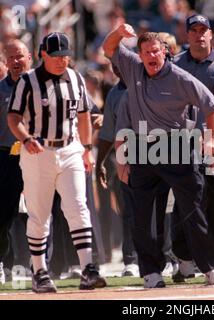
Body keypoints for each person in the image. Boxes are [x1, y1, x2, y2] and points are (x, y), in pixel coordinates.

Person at [102, 23, 214, 288]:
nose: (151, 56)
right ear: (140, 55)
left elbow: (211, 106)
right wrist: (118, 32)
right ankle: (151, 272)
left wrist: (212, 139)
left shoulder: (181, 78)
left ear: (165, 52)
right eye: (145, 51)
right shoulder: (132, 66)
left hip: (178, 148)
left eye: (155, 51)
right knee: (142, 215)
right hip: (142, 149)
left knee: (193, 211)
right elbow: (108, 47)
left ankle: (210, 267)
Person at [7, 32, 107, 293]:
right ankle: (39, 271)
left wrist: (86, 148)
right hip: (39, 153)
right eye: (56, 56)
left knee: (78, 207)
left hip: (71, 148)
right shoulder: (28, 81)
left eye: (65, 56)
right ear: (43, 55)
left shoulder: (75, 77)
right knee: (40, 215)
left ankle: (88, 268)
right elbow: (14, 117)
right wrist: (26, 138)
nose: (62, 61)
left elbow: (85, 113)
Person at [172, 14, 214, 282]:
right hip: (181, 142)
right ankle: (184, 259)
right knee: (183, 202)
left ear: (211, 33)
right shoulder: (175, 65)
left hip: (213, 142)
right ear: (187, 35)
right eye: (194, 30)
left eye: (203, 30)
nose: (199, 35)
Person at [0, 40, 31, 285]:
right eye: (11, 57)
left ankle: (37, 265)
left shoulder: (42, 86)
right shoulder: (0, 90)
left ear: (29, 57)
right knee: (5, 214)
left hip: (37, 154)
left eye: (19, 56)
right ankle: (3, 263)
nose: (16, 61)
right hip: (6, 157)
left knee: (38, 212)